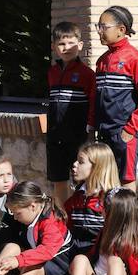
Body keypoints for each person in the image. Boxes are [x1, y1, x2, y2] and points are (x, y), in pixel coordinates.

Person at [88, 6, 138, 189]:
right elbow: (95, 97)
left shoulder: (135, 59)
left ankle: (128, 218)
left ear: (121, 30)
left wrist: (130, 129)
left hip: (123, 132)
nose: (99, 31)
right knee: (105, 181)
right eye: (98, 26)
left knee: (126, 182)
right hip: (103, 132)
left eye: (103, 27)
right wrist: (92, 125)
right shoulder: (101, 61)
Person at [65, 142, 122, 275]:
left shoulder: (115, 200)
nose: (74, 165)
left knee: (115, 260)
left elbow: (126, 244)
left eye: (81, 162)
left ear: (97, 167)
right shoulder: (76, 199)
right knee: (80, 259)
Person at [46, 22, 95, 205]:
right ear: (54, 47)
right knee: (59, 179)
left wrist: (89, 129)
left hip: (77, 137)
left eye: (70, 43)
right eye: (61, 44)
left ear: (80, 46)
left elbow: (92, 104)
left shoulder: (87, 74)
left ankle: (80, 214)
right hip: (55, 136)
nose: (66, 48)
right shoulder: (52, 73)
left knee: (81, 179)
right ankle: (61, 218)